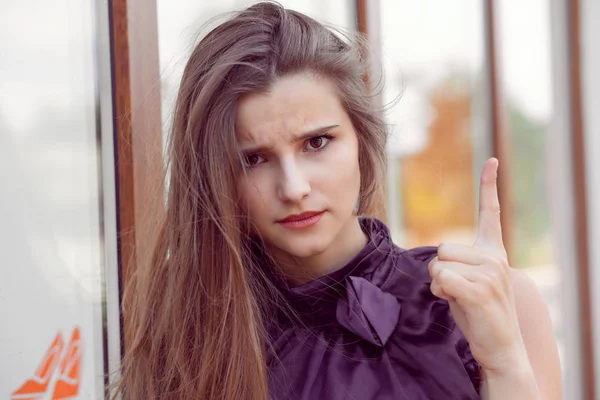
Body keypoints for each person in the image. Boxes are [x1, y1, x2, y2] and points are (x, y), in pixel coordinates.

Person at [116, 2, 562, 399]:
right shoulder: (190, 344)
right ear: (217, 178)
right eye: (253, 159)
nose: (293, 188)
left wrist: (503, 361)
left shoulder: (493, 303)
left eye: (316, 143)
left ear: (362, 143)